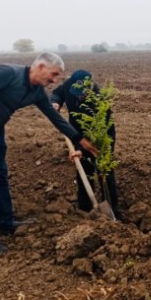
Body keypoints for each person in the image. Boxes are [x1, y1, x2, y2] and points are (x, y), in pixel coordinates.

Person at [0, 53, 98, 255]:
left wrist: (79, 139)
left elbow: (54, 117)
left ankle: (5, 223)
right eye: (54, 74)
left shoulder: (37, 92)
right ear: (40, 66)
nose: (54, 81)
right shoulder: (7, 74)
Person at [50, 70, 120, 219]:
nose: (79, 95)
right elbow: (58, 93)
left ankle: (113, 211)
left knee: (105, 172)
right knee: (83, 170)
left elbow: (101, 131)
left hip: (101, 137)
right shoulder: (69, 85)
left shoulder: (98, 99)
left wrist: (82, 149)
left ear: (90, 87)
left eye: (83, 93)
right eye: (77, 92)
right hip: (77, 133)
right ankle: (85, 208)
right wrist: (55, 102)